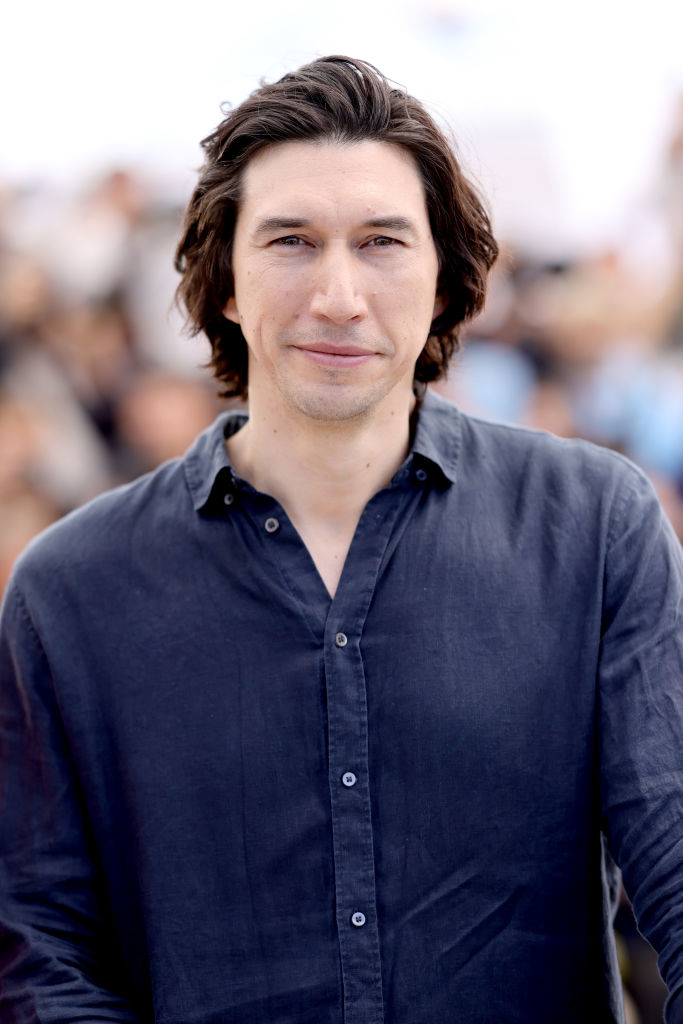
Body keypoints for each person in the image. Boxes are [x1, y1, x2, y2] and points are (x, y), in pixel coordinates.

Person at [0, 55, 681, 1024]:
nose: (337, 294)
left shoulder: (594, 527)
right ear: (223, 278)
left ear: (443, 278)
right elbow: (37, 950)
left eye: (380, 242)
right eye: (289, 240)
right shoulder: (71, 590)